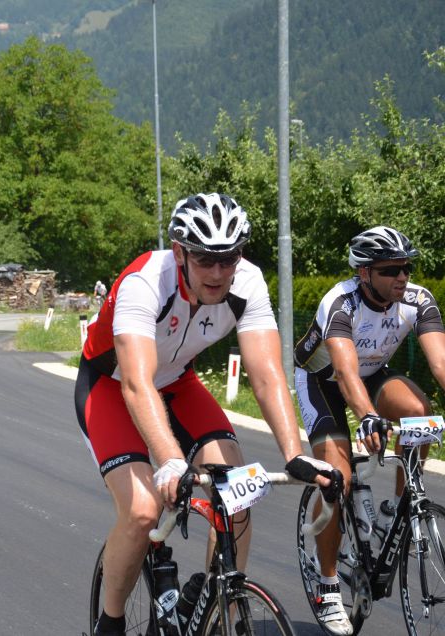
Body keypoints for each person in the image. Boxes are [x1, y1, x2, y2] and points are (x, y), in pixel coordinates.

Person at [75, 193, 337, 636]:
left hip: (177, 383)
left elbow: (268, 376)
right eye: (204, 259)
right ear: (180, 252)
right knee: (142, 511)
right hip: (112, 386)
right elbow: (137, 384)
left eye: (228, 258)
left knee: (236, 490)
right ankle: (110, 621)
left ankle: (218, 601)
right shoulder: (144, 282)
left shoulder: (247, 283)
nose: (218, 272)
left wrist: (295, 452)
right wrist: (172, 461)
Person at [294, 226, 445, 635]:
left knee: (419, 412)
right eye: (391, 269)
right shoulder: (340, 303)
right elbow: (343, 371)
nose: (403, 277)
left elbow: (441, 365)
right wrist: (367, 416)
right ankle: (327, 586)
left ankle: (395, 510)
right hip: (321, 382)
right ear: (364, 273)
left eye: (407, 267)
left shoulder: (417, 300)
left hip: (373, 373)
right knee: (336, 479)